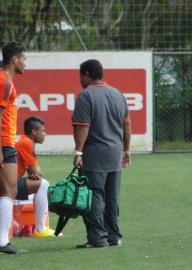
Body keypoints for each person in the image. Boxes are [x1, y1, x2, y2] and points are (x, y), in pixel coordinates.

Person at [72, 59, 131, 248]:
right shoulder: (118, 94)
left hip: (95, 154)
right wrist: (127, 149)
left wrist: (78, 151)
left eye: (81, 76)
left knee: (94, 194)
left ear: (87, 75)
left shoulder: (85, 96)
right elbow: (126, 124)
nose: (80, 79)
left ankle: (98, 238)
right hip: (115, 153)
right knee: (112, 196)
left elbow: (83, 127)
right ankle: (114, 236)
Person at [0, 42, 27, 254]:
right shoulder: (5, 81)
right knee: (11, 190)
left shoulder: (0, 79)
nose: (25, 63)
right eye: (23, 59)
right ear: (14, 60)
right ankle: (1, 242)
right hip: (2, 143)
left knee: (3, 191)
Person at [15, 116, 60, 237]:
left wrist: (35, 172)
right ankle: (41, 229)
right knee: (43, 184)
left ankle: (36, 226)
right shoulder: (26, 143)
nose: (45, 134)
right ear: (34, 132)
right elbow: (34, 172)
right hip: (7, 185)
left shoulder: (25, 142)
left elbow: (34, 173)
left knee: (40, 184)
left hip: (10, 182)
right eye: (43, 131)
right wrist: (36, 172)